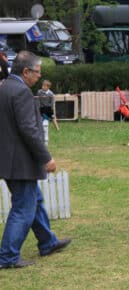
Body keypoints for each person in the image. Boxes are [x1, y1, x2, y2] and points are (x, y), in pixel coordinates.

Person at [0, 51, 71, 269]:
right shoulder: (20, 92)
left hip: (10, 158)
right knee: (23, 208)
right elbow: (28, 130)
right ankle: (8, 256)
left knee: (35, 201)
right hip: (20, 161)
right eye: (37, 72)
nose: (39, 77)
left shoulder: (5, 87)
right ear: (25, 71)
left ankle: (47, 242)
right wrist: (46, 158)